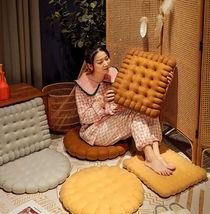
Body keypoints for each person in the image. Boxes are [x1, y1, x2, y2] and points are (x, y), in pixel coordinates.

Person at [75, 44, 176, 176]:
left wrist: (163, 81)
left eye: (107, 59)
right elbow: (84, 119)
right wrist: (102, 104)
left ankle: (157, 155)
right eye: (100, 62)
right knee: (134, 117)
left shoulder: (113, 75)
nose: (106, 64)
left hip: (116, 118)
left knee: (147, 107)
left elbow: (142, 88)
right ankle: (150, 158)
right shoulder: (82, 86)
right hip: (95, 130)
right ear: (90, 66)